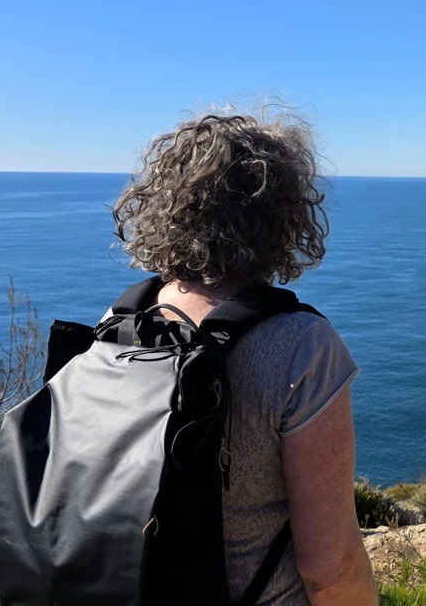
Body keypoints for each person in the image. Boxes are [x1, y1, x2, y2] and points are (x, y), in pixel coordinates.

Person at [111, 109, 378, 606]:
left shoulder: (120, 321)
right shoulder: (302, 346)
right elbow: (330, 570)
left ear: (165, 207)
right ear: (284, 215)